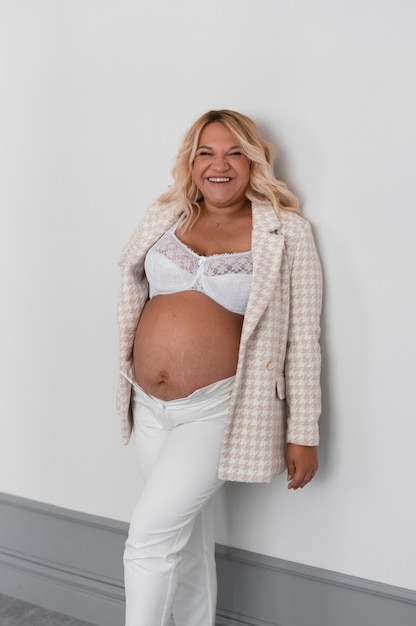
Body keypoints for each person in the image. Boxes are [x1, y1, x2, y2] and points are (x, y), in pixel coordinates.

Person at [117, 109, 322, 626]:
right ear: (192, 162)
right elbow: (132, 291)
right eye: (206, 152)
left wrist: (304, 432)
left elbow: (303, 337)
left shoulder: (286, 232)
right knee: (181, 544)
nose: (220, 165)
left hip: (219, 410)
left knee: (147, 539)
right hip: (149, 406)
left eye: (234, 152)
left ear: (255, 161)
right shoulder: (164, 215)